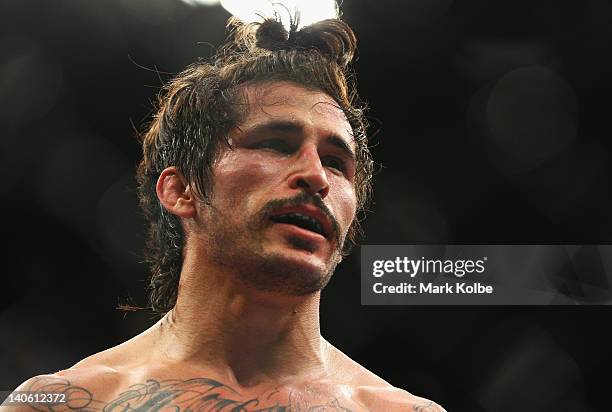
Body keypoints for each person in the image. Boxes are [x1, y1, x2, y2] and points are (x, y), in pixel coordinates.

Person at [3, 15, 445, 412]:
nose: (316, 176)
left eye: (336, 161)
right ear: (180, 190)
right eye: (275, 143)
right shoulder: (65, 405)